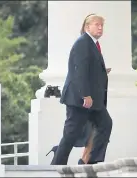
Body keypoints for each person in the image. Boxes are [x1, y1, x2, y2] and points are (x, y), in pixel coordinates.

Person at [49, 13, 113, 165]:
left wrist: (102, 71)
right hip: (80, 99)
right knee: (72, 133)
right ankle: (57, 165)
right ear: (86, 27)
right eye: (97, 24)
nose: (100, 28)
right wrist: (85, 95)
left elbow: (88, 68)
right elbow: (79, 71)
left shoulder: (92, 44)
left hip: (93, 100)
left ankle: (89, 161)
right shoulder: (83, 43)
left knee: (105, 124)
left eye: (102, 25)